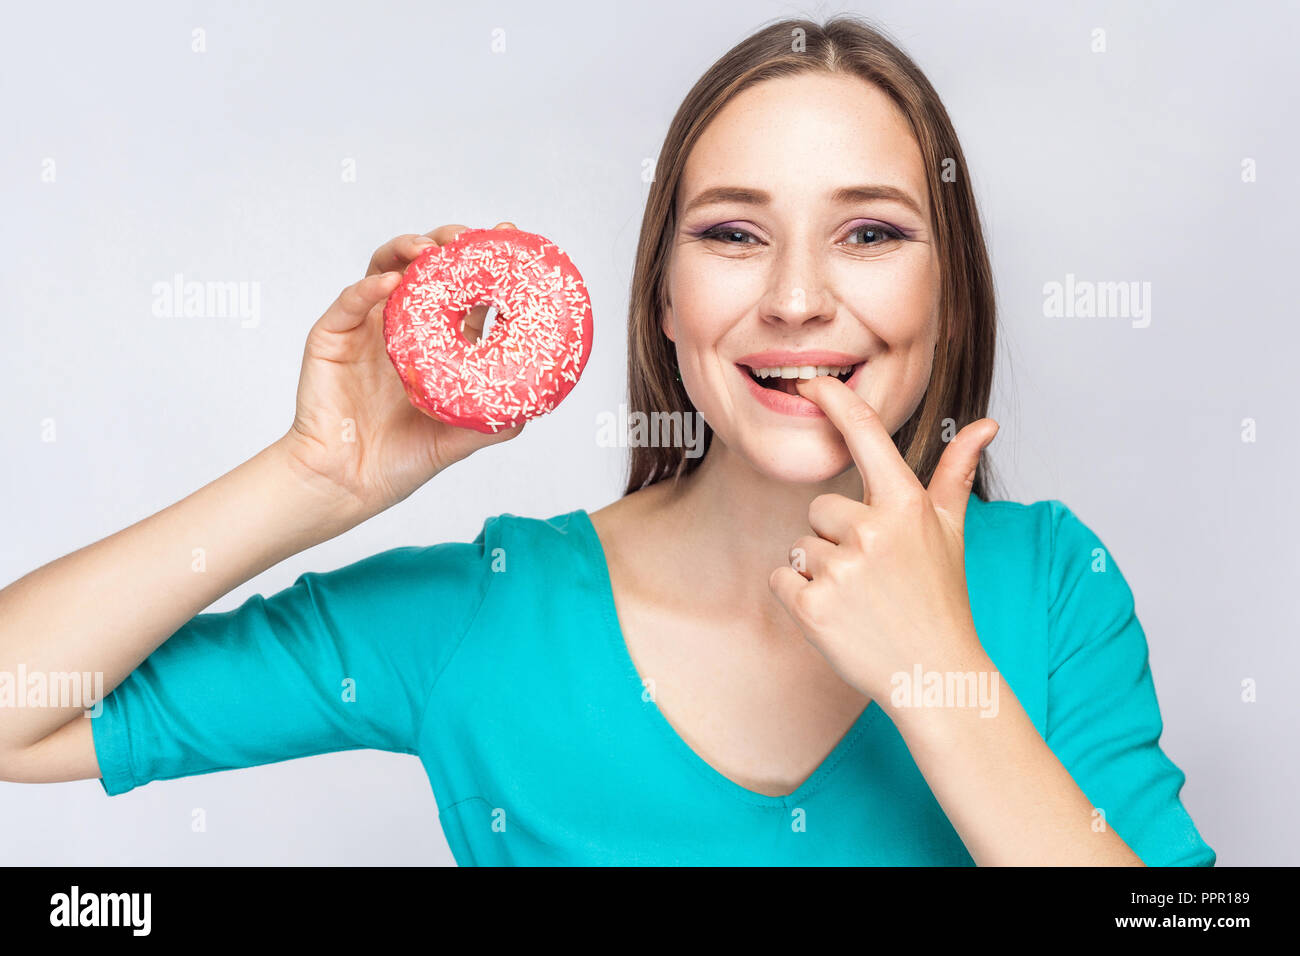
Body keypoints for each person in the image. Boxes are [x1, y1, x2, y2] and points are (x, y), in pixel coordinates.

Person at [0, 14, 1214, 866]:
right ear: (664, 302)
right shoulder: (490, 609)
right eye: (734, 234)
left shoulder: (1050, 584)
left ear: (948, 293)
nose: (795, 298)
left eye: (870, 234)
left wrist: (937, 681)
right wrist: (312, 477)